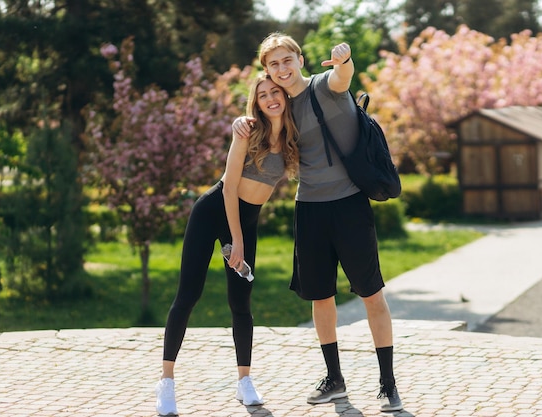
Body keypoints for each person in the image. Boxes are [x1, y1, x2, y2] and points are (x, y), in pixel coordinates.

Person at [232, 32, 403, 412]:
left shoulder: (325, 87)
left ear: (300, 59)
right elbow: (256, 126)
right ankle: (334, 379)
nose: (282, 69)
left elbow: (342, 78)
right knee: (320, 297)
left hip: (349, 207)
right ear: (267, 72)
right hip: (309, 209)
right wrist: (239, 124)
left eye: (286, 60)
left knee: (371, 294)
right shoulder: (280, 107)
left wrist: (344, 60)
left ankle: (388, 383)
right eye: (273, 65)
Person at [155, 73, 299, 416]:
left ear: (284, 95)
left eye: (274, 92)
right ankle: (166, 381)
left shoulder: (293, 138)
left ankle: (244, 381)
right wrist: (236, 241)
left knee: (241, 302)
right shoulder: (247, 132)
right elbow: (230, 188)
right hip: (214, 212)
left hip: (247, 221)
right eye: (262, 94)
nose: (270, 99)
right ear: (257, 102)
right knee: (188, 296)